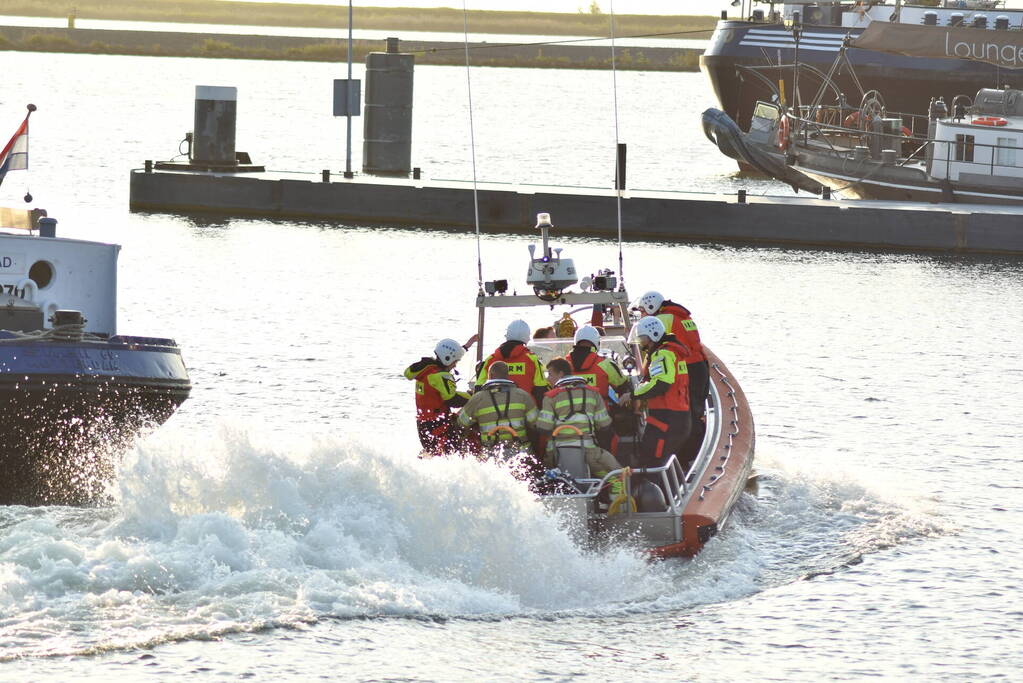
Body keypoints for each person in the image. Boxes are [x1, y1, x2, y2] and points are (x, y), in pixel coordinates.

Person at [632, 290, 708, 461]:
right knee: (695, 411)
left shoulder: (662, 320)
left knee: (690, 413)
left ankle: (688, 455)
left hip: (689, 367)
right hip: (699, 364)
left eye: (643, 311)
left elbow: (655, 347)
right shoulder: (680, 315)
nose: (642, 315)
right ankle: (697, 452)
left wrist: (642, 381)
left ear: (652, 306)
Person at [536, 358, 621, 482]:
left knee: (550, 480)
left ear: (560, 374)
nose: (548, 379)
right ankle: (614, 500)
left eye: (550, 374)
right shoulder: (593, 393)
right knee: (616, 477)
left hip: (557, 455)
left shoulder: (550, 397)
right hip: (589, 451)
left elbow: (544, 427)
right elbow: (604, 424)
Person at [631, 316, 691, 470]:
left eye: (643, 338)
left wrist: (635, 394)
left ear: (652, 336)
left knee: (654, 459)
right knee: (664, 458)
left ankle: (654, 488)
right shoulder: (673, 352)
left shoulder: (662, 354)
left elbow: (661, 383)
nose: (641, 342)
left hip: (666, 418)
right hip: (678, 415)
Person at [404, 336, 476, 456]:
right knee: (457, 447)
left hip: (423, 425)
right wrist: (472, 396)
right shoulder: (440, 376)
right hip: (438, 425)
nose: (455, 366)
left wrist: (467, 345)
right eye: (455, 362)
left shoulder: (426, 370)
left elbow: (451, 354)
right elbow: (452, 399)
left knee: (434, 452)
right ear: (448, 359)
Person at [457, 361, 539, 461]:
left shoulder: (477, 398)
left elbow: (461, 423)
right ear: (507, 375)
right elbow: (536, 424)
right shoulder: (523, 395)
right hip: (521, 454)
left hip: (492, 456)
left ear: (490, 375)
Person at [475, 319, 549, 404]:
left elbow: (479, 389)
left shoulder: (490, 359)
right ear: (527, 337)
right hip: (523, 411)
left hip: (494, 412)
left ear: (507, 335)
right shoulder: (532, 359)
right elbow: (540, 390)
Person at [564, 325, 632, 409]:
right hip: (600, 416)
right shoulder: (605, 364)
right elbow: (622, 385)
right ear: (597, 342)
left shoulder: (563, 364)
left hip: (568, 416)